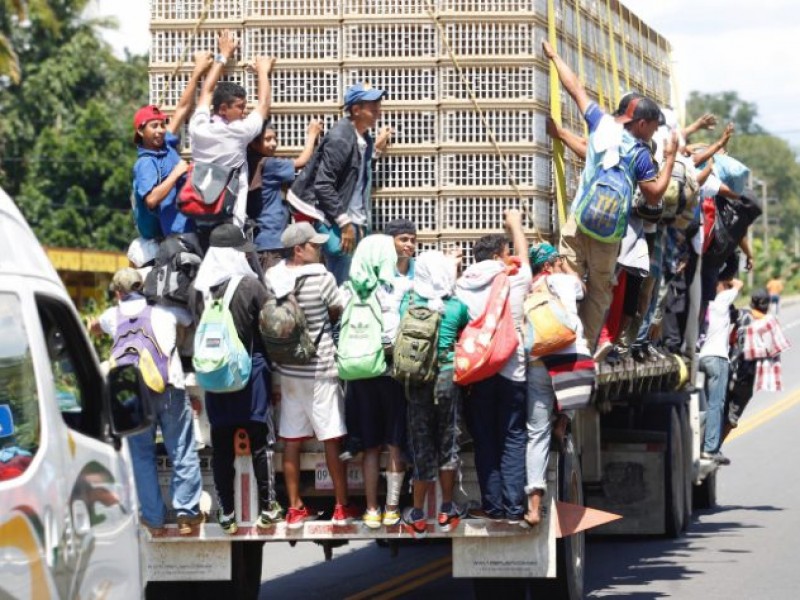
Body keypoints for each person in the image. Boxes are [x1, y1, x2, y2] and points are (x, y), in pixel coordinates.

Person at [543, 40, 677, 352]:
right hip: (608, 235)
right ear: (641, 123)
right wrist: (669, 158)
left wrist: (554, 55)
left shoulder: (600, 124)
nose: (654, 135)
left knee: (567, 281)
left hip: (578, 220)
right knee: (600, 292)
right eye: (653, 129)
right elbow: (655, 195)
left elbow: (574, 87)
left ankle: (561, 339)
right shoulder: (641, 154)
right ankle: (583, 348)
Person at [91, 268, 203, 535]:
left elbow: (95, 326)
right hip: (167, 388)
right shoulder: (163, 313)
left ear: (118, 293)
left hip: (132, 395)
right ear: (142, 288)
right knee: (182, 450)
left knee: (141, 457)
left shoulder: (112, 317)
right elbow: (188, 320)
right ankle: (186, 515)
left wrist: (94, 328)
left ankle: (154, 520)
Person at [264, 222, 359, 529]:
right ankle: (342, 505)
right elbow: (338, 309)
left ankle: (294, 508)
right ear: (299, 249)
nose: (319, 250)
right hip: (319, 367)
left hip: (288, 370)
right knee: (331, 437)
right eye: (314, 245)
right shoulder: (322, 277)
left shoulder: (272, 277)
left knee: (291, 439)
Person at [191, 224, 279, 533]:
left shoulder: (198, 289)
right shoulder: (251, 286)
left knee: (222, 446)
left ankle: (226, 512)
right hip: (250, 372)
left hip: (215, 375)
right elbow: (270, 325)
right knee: (259, 442)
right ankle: (268, 508)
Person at [456, 209, 531, 523]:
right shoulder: (512, 280)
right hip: (512, 369)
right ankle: (515, 507)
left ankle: (493, 506)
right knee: (512, 436)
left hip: (477, 373)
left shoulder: (462, 284)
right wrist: (515, 224)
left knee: (485, 439)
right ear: (502, 255)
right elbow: (525, 259)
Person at [287, 82, 392, 284]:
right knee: (342, 269)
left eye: (378, 106)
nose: (378, 111)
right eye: (372, 107)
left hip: (354, 216)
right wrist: (344, 224)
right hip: (333, 216)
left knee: (354, 272)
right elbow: (323, 184)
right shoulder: (341, 138)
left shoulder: (365, 139)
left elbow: (358, 174)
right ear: (356, 109)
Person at [339, 232, 408, 529]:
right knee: (394, 444)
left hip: (358, 374)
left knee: (369, 447)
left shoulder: (348, 290)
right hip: (389, 374)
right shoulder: (398, 288)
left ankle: (370, 508)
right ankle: (392, 507)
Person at [399, 250, 470, 536]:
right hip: (446, 377)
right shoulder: (455, 307)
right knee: (448, 439)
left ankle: (417, 512)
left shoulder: (409, 301)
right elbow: (466, 328)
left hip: (417, 378)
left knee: (421, 442)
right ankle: (447, 508)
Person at [524, 243, 593, 527]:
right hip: (572, 358)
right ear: (551, 264)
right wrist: (565, 265)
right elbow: (584, 291)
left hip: (539, 361)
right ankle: (564, 420)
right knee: (580, 389)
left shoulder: (526, 288)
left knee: (535, 434)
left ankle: (533, 505)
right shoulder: (564, 280)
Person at [189, 30, 276, 231]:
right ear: (223, 109)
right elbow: (263, 104)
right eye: (240, 107)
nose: (245, 112)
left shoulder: (198, 127)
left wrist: (223, 54)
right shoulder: (238, 133)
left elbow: (206, 92)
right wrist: (262, 70)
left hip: (201, 219)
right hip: (232, 224)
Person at [132, 51, 213, 240]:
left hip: (192, 224)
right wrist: (176, 173)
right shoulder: (145, 163)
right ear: (140, 132)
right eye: (154, 127)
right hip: (176, 234)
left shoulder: (164, 144)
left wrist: (197, 70)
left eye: (161, 125)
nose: (160, 130)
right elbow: (151, 200)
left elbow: (182, 109)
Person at [246, 118, 324, 271]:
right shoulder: (269, 164)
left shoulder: (252, 162)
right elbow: (301, 162)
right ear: (254, 143)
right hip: (272, 241)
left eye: (275, 138)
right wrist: (312, 135)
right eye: (267, 139)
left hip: (261, 239)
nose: (273, 143)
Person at [698, 277, 743, 466]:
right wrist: (727, 278)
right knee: (716, 404)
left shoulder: (705, 303)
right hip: (717, 359)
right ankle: (710, 449)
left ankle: (702, 441)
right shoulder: (721, 301)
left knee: (706, 405)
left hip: (702, 357)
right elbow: (739, 284)